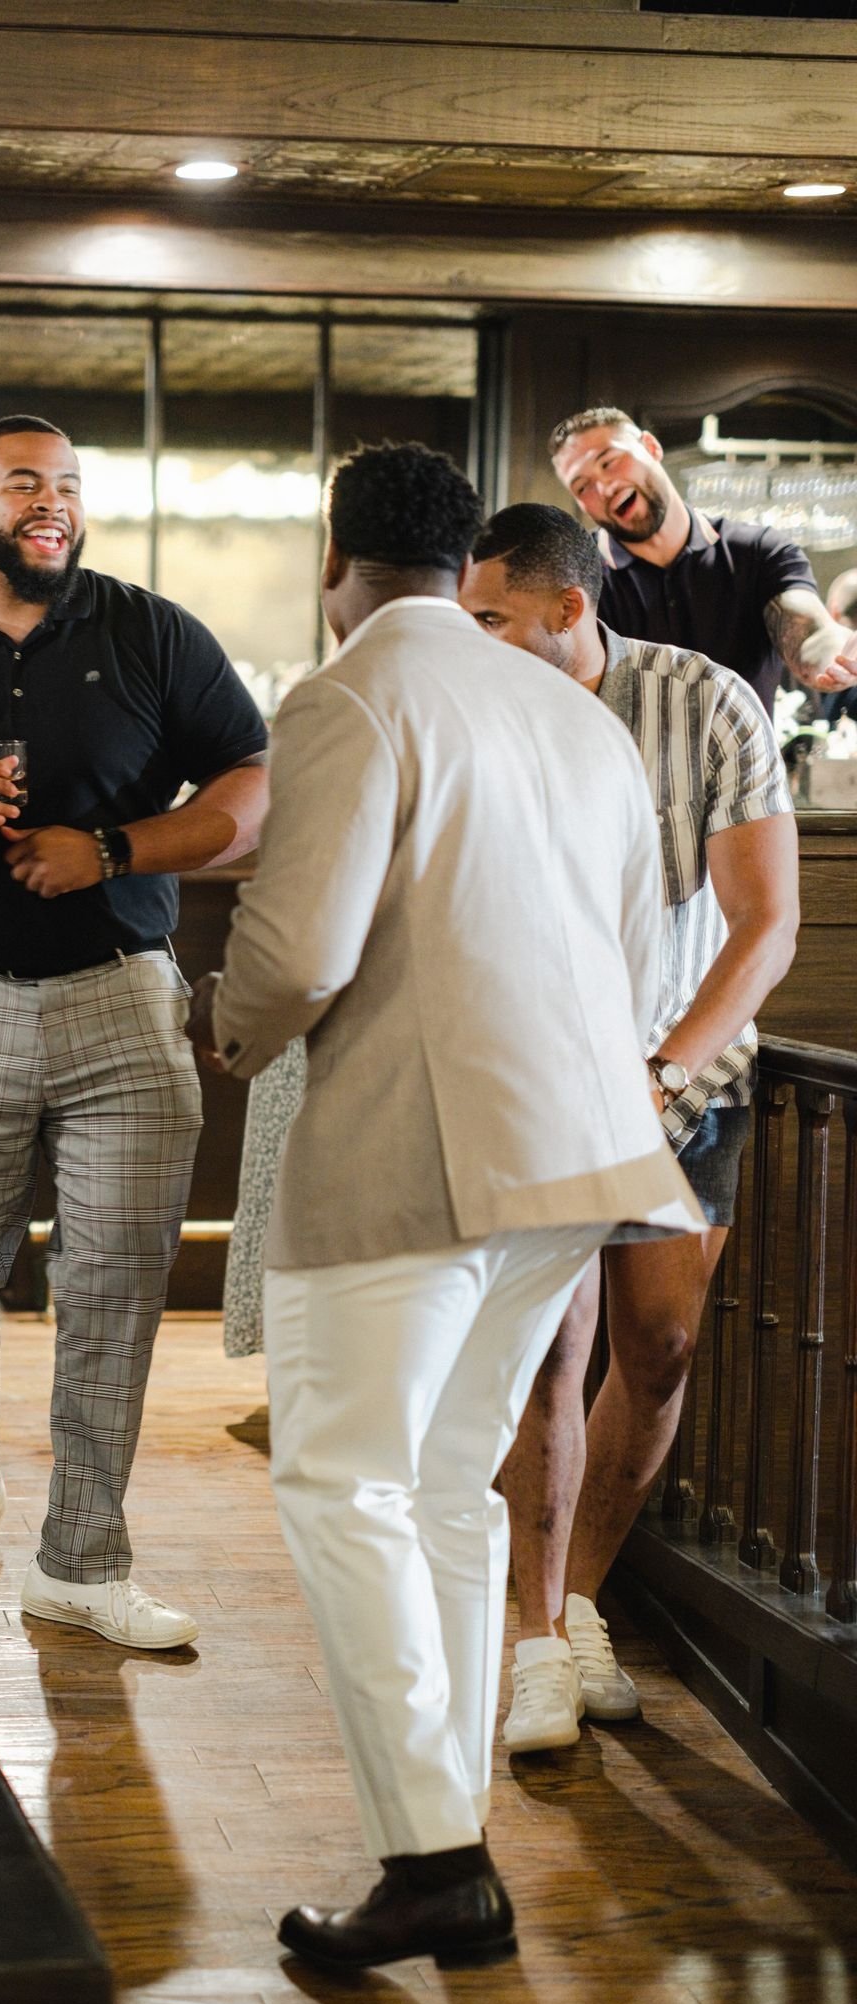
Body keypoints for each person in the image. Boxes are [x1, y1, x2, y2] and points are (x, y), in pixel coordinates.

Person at [186, 441, 702, 1974]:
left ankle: (432, 1859)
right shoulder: (573, 712)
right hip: (580, 1153)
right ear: (457, 553)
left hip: (421, 1146)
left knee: (341, 1486)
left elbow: (299, 956)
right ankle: (449, 1822)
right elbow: (633, 950)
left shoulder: (349, 694)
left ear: (332, 561)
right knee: (447, 1486)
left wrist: (222, 1020)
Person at [0, 413, 268, 1651]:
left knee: (117, 1286)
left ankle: (83, 1556)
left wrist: (115, 848)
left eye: (69, 485)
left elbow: (251, 781)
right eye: (25, 482)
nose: (53, 503)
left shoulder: (154, 631)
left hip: (123, 997)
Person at [459, 502, 798, 1752]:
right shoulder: (475, 713)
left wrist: (663, 1069)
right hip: (531, 1081)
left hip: (681, 1082)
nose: (472, 636)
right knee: (550, 1350)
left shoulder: (704, 701)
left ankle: (584, 1597)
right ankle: (535, 1637)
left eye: (491, 616)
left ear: (567, 608)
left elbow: (766, 924)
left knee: (654, 1349)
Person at [549, 405, 857, 717]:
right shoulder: (574, 577)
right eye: (583, 486)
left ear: (651, 447)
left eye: (610, 462)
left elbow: (808, 630)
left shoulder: (759, 551)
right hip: (628, 766)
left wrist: (838, 653)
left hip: (745, 765)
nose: (604, 487)